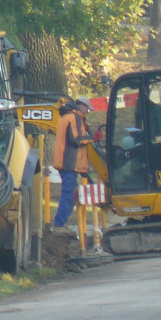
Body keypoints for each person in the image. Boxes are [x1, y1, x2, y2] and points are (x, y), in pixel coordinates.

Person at [51, 96, 94, 230]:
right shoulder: (75, 117)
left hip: (64, 161)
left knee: (71, 194)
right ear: (81, 106)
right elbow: (76, 140)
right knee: (69, 194)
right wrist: (92, 138)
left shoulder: (65, 116)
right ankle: (58, 224)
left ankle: (60, 223)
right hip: (69, 162)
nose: (87, 112)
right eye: (87, 109)